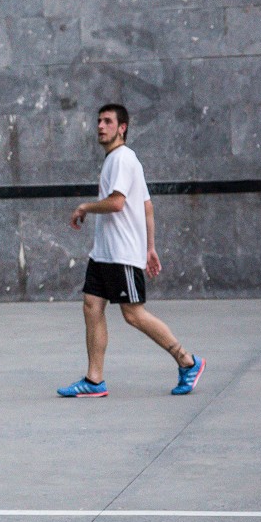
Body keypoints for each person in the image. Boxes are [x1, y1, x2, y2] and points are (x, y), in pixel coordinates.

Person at [57, 103, 204, 398]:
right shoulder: (117, 160)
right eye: (98, 121)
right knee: (92, 305)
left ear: (122, 127)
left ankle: (187, 361)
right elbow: (146, 205)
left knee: (134, 314)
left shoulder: (123, 158)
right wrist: (150, 248)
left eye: (108, 121)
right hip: (104, 254)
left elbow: (117, 203)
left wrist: (85, 206)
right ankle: (94, 380)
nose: (101, 126)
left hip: (121, 254)